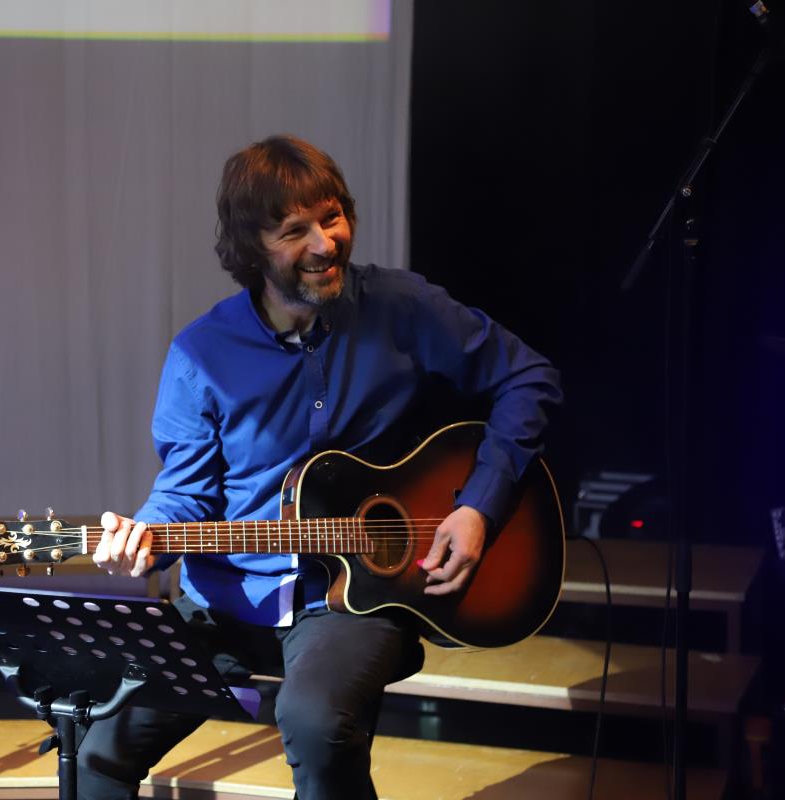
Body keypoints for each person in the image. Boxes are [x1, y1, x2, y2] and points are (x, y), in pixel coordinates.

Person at [83, 134, 562, 799]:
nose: (325, 243)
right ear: (252, 249)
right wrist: (143, 536)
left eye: (331, 218)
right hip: (229, 596)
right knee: (96, 752)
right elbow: (185, 494)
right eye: (294, 232)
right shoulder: (201, 355)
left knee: (314, 723)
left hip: (357, 594)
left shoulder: (400, 308)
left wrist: (479, 505)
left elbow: (528, 378)